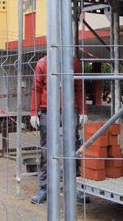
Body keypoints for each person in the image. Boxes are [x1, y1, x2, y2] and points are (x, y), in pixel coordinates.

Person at [29, 55, 87, 204]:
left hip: (70, 110)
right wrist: (34, 112)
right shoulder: (42, 63)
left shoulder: (73, 61)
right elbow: (36, 88)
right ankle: (45, 188)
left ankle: (74, 187)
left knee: (73, 149)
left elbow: (79, 87)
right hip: (48, 110)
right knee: (46, 150)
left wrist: (83, 111)